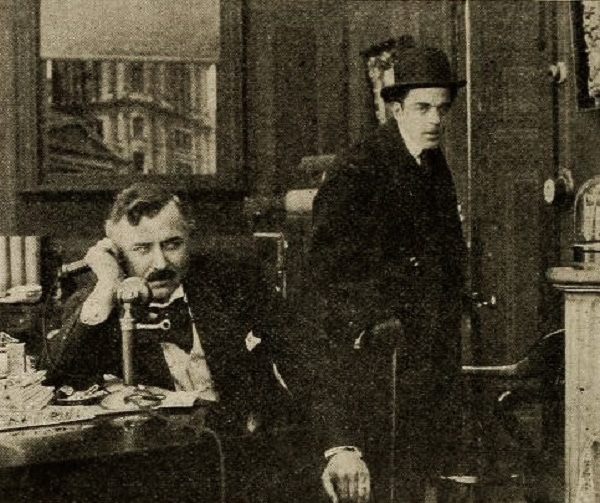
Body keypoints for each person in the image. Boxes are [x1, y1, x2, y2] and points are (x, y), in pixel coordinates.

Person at [41, 182, 292, 501]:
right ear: (116, 251)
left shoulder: (235, 281)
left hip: (246, 456)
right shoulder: (97, 302)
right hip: (158, 472)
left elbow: (301, 355)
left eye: (172, 244)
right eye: (142, 249)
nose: (160, 263)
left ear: (189, 236)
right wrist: (107, 285)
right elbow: (55, 379)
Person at [310, 46, 468, 502]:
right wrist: (382, 317)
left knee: (422, 467)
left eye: (442, 108)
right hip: (376, 349)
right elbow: (328, 271)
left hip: (426, 341)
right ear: (396, 109)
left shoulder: (431, 161)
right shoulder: (359, 167)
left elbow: (446, 247)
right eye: (422, 107)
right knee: (386, 473)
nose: (434, 119)